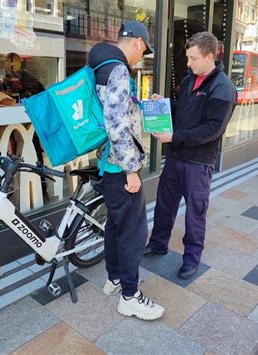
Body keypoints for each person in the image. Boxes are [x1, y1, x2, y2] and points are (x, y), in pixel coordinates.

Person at [88, 20, 165, 320]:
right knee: (133, 232)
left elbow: (119, 110)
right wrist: (131, 169)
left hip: (109, 164)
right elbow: (116, 124)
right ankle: (130, 297)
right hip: (121, 167)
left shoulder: (103, 66)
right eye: (143, 51)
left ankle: (115, 278)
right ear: (137, 43)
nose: (141, 58)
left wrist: (148, 105)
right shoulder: (119, 70)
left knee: (116, 226)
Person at [144, 32, 237, 279]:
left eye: (193, 58)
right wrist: (161, 105)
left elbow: (211, 130)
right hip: (175, 158)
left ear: (210, 56)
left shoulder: (224, 89)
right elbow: (180, 112)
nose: (189, 63)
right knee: (164, 205)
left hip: (198, 163)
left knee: (195, 214)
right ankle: (158, 243)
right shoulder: (188, 81)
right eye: (188, 58)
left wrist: (174, 137)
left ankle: (192, 260)